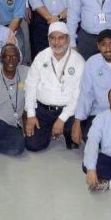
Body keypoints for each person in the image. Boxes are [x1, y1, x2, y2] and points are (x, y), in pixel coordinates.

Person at [24, 22, 84, 151]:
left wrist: (61, 119)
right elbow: (30, 85)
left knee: (75, 142)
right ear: (48, 39)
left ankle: (63, 130)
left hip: (68, 112)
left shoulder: (78, 61)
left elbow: (78, 95)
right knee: (32, 145)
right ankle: (50, 130)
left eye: (61, 38)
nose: (56, 42)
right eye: (53, 38)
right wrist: (30, 114)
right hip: (43, 111)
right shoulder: (41, 57)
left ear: (68, 39)